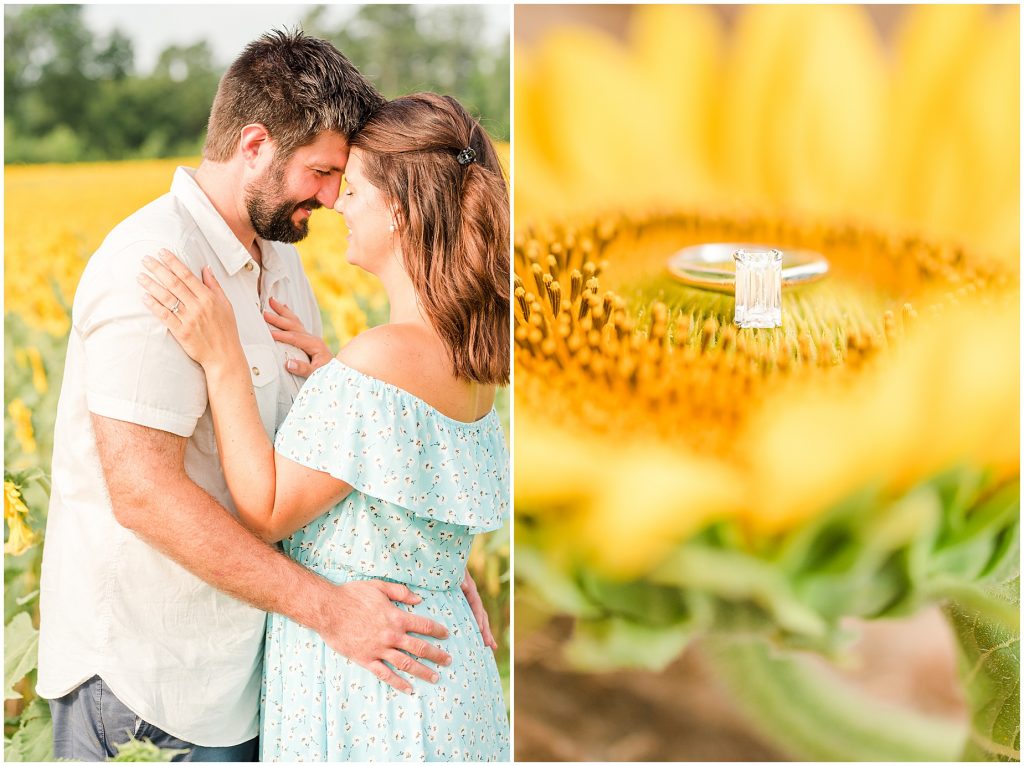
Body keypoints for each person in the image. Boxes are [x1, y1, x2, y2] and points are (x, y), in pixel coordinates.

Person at [36, 31, 494, 762]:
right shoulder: (155, 267)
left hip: (262, 676)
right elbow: (144, 494)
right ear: (254, 145)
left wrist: (416, 561)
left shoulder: (280, 260)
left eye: (344, 179)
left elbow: (321, 454)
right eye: (320, 172)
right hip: (156, 686)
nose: (331, 197)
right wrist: (330, 607)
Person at [139, 92, 510, 761]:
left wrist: (223, 358)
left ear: (400, 213)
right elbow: (411, 484)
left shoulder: (382, 361)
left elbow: (267, 509)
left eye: (357, 188)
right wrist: (336, 382)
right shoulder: (452, 353)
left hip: (376, 693)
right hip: (436, 673)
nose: (339, 203)